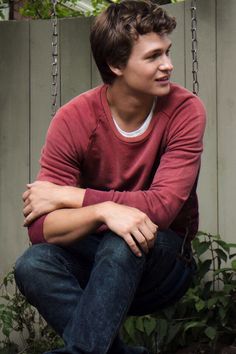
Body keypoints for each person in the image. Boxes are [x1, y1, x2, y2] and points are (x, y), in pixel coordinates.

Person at [14, 1, 206, 353]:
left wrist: (72, 197)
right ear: (116, 65)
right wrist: (104, 211)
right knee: (32, 264)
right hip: (97, 264)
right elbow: (41, 229)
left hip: (165, 264)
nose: (168, 65)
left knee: (126, 237)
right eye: (153, 57)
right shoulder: (74, 119)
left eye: (167, 52)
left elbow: (161, 209)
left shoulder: (185, 110)